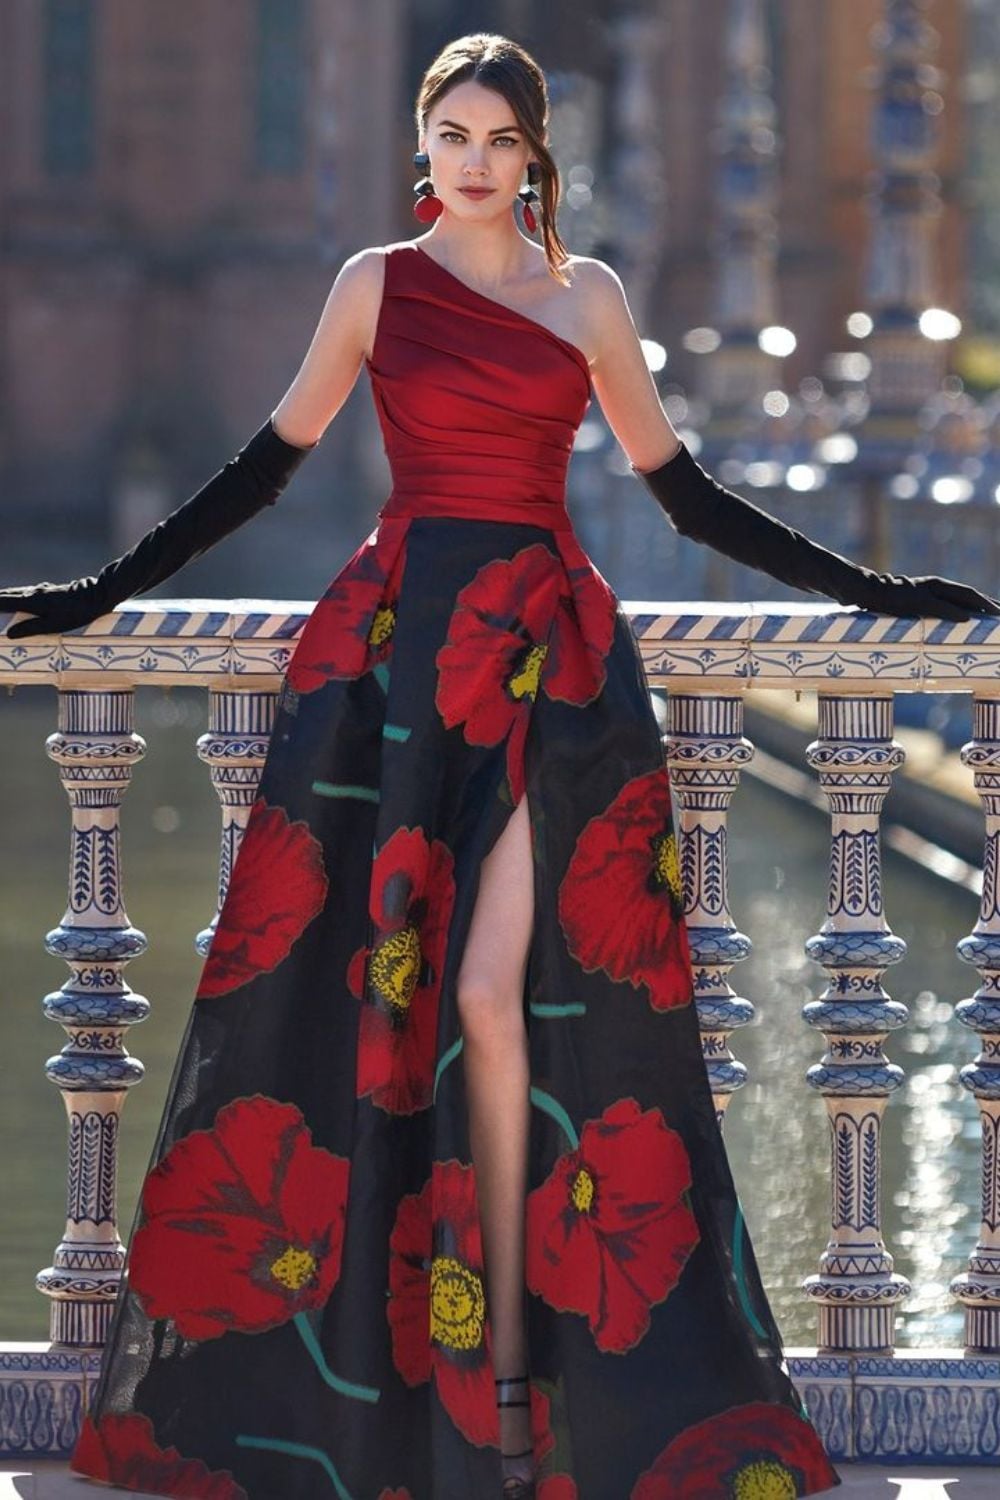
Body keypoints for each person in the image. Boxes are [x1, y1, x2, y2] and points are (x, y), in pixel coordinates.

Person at [3, 30, 997, 1500]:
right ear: (426, 148)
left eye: (498, 140)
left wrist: (880, 594)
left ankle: (518, 1378)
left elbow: (688, 495)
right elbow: (268, 466)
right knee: (364, 1020)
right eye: (451, 136)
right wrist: (102, 591)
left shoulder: (586, 298)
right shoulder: (373, 284)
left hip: (547, 664)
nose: (473, 162)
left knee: (487, 990)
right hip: (400, 667)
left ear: (536, 158)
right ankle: (393, 1394)